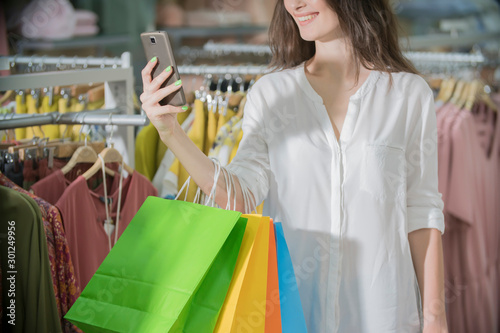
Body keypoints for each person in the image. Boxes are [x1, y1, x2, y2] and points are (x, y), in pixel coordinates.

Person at [140, 0, 448, 332]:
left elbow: (423, 214)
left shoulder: (408, 95)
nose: (295, 4)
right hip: (292, 316)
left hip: (384, 315)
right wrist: (171, 132)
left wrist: (436, 321)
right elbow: (239, 196)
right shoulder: (272, 94)